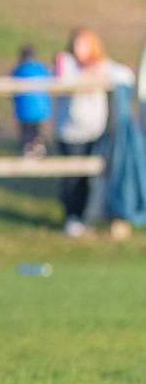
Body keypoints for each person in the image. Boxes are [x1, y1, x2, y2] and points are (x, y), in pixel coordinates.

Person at [54, 27, 134, 238]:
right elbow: (63, 80)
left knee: (90, 176)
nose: (80, 48)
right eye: (77, 44)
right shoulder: (66, 62)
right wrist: (85, 75)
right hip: (69, 132)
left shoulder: (102, 65)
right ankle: (72, 217)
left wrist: (101, 73)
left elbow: (125, 75)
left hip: (94, 131)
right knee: (73, 177)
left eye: (84, 43)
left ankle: (84, 217)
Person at [11, 44, 52, 158]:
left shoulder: (18, 69)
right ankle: (38, 147)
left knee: (26, 131)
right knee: (36, 129)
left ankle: (27, 150)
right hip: (41, 109)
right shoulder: (41, 68)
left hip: (23, 110)